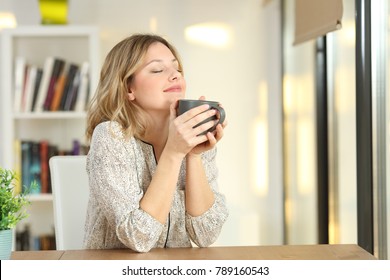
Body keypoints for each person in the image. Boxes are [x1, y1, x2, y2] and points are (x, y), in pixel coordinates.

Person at [83, 33, 229, 253]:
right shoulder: (110, 137)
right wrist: (173, 153)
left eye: (177, 69)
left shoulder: (192, 135)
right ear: (128, 88)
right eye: (157, 70)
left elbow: (205, 235)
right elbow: (138, 237)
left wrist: (193, 154)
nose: (175, 76)